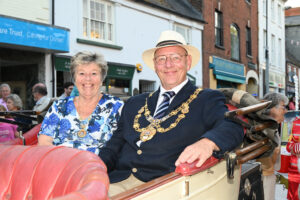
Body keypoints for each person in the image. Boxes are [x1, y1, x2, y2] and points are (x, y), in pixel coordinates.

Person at [99, 30, 244, 196]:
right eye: (162, 59)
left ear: (188, 62)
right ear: (155, 65)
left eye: (175, 58)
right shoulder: (134, 103)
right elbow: (114, 146)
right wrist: (94, 167)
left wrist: (208, 143)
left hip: (164, 186)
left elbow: (233, 126)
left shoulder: (206, 99)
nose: (168, 65)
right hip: (116, 180)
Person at [38, 51, 124, 155]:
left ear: (102, 79)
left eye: (94, 73)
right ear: (74, 79)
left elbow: (123, 145)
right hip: (62, 166)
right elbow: (44, 142)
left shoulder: (117, 106)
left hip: (101, 167)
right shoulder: (59, 106)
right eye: (82, 73)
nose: (87, 79)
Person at [256, 92, 288, 200]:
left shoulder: (272, 127)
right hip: (262, 178)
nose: (285, 111)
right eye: (283, 107)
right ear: (272, 108)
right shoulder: (262, 128)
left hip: (268, 176)